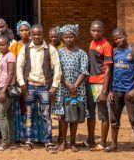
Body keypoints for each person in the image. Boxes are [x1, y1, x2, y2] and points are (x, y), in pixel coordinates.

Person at [16, 24, 62, 152]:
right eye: (34, 34)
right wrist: (21, 83)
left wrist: (54, 86)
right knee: (29, 114)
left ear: (43, 35)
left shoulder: (50, 49)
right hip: (29, 86)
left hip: (44, 87)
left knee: (46, 115)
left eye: (39, 34)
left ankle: (48, 141)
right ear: (31, 34)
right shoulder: (25, 49)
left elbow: (57, 68)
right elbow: (19, 66)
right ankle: (29, 140)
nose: (36, 36)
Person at [106, 28, 134, 160]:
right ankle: (114, 145)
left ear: (126, 36)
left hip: (129, 92)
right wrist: (110, 90)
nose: (118, 41)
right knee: (114, 120)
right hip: (116, 91)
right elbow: (110, 71)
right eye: (115, 39)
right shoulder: (114, 51)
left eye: (120, 37)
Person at [52, 24, 89, 152]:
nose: (68, 39)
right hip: (63, 88)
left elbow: (84, 71)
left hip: (77, 89)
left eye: (71, 36)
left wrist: (75, 86)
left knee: (74, 115)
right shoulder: (58, 53)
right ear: (62, 38)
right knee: (63, 116)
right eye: (66, 37)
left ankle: (72, 142)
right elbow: (57, 70)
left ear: (75, 36)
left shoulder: (82, 53)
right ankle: (63, 141)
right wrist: (67, 84)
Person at [86, 20, 113, 151]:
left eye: (99, 31)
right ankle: (90, 140)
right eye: (94, 30)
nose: (96, 33)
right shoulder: (92, 43)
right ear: (90, 30)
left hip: (100, 83)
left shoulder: (106, 45)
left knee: (102, 114)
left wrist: (104, 90)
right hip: (90, 82)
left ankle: (102, 143)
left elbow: (108, 69)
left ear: (103, 31)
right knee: (90, 113)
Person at [10, 21, 31, 143]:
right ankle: (21, 134)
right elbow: (12, 65)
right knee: (20, 107)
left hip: (33, 80)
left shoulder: (35, 44)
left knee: (31, 107)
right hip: (19, 80)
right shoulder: (15, 46)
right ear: (18, 32)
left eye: (26, 30)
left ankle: (31, 134)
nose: (24, 32)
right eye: (21, 30)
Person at [0, 35, 16, 151]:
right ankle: (12, 141)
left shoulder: (10, 56)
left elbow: (11, 74)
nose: (1, 47)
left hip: (7, 89)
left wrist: (3, 90)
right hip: (2, 86)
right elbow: (1, 71)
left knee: (0, 114)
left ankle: (5, 142)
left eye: (3, 44)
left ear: (8, 45)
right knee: (9, 115)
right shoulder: (1, 56)